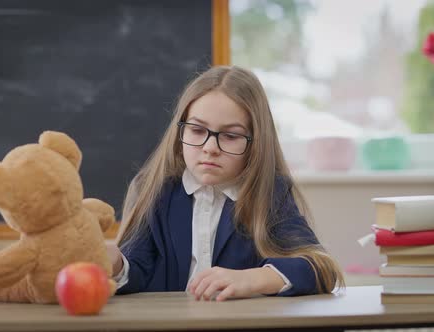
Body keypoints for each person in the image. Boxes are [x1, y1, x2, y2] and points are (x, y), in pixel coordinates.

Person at [107, 65, 345, 301]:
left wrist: (251, 279)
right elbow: (136, 270)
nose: (210, 148)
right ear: (180, 132)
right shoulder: (157, 190)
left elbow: (321, 268)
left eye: (231, 136)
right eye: (197, 130)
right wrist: (115, 262)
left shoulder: (269, 193)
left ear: (256, 143)